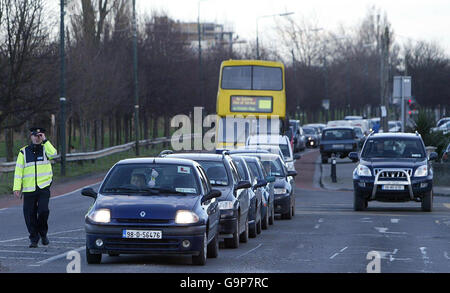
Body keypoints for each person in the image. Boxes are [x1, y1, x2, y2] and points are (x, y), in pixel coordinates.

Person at [13, 127, 57, 248]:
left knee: (43, 211)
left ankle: (43, 234)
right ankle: (34, 239)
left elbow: (54, 154)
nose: (37, 138)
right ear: (30, 137)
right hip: (28, 188)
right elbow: (18, 171)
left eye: (39, 136)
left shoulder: (45, 149)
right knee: (29, 214)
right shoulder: (23, 152)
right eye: (35, 136)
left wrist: (46, 141)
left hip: (43, 187)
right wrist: (16, 188)